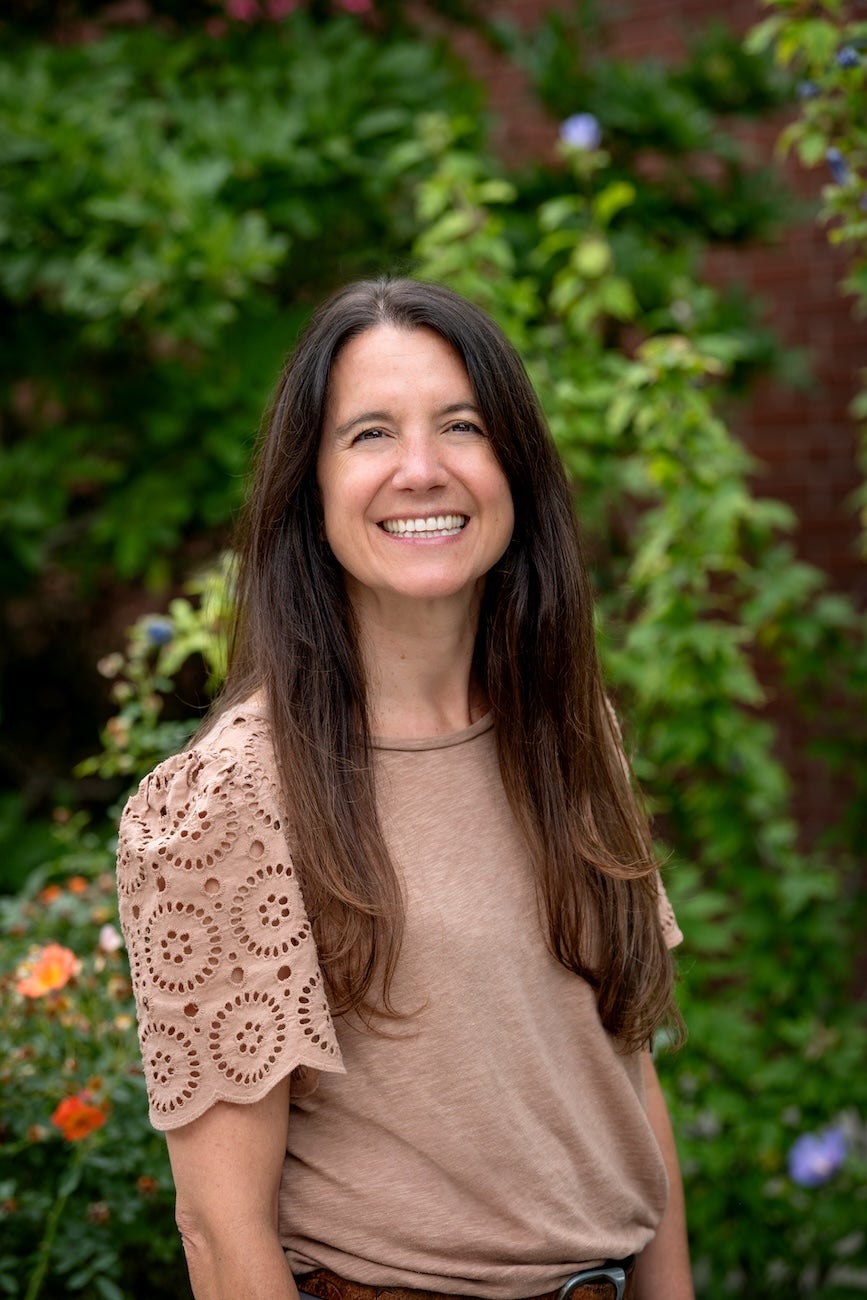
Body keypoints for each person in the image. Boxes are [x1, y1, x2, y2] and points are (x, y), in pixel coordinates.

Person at [116, 278, 694, 1300]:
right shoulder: (225, 804)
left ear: (514, 466)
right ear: (311, 488)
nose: (422, 471)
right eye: (370, 434)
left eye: (462, 425)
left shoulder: (570, 732)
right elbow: (219, 1228)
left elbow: (622, 1072)